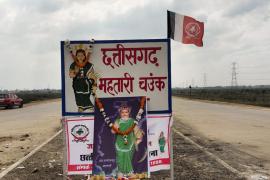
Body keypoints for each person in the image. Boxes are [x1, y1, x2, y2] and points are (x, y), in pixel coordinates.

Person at [111, 106, 144, 179]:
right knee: (120, 157)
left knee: (128, 157)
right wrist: (115, 128)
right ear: (120, 113)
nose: (124, 114)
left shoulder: (132, 121)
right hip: (120, 141)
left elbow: (137, 131)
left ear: (129, 113)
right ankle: (120, 172)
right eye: (122, 112)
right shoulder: (118, 121)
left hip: (130, 142)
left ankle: (129, 172)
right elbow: (113, 131)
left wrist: (138, 139)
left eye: (126, 112)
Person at [67, 43, 98, 112]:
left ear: (84, 56)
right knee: (79, 99)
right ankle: (80, 111)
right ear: (76, 56)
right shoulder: (73, 64)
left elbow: (93, 76)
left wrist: (95, 85)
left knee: (86, 98)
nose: (80, 57)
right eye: (78, 55)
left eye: (82, 55)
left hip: (86, 84)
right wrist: (75, 72)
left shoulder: (89, 65)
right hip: (77, 84)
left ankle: (89, 110)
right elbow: (71, 75)